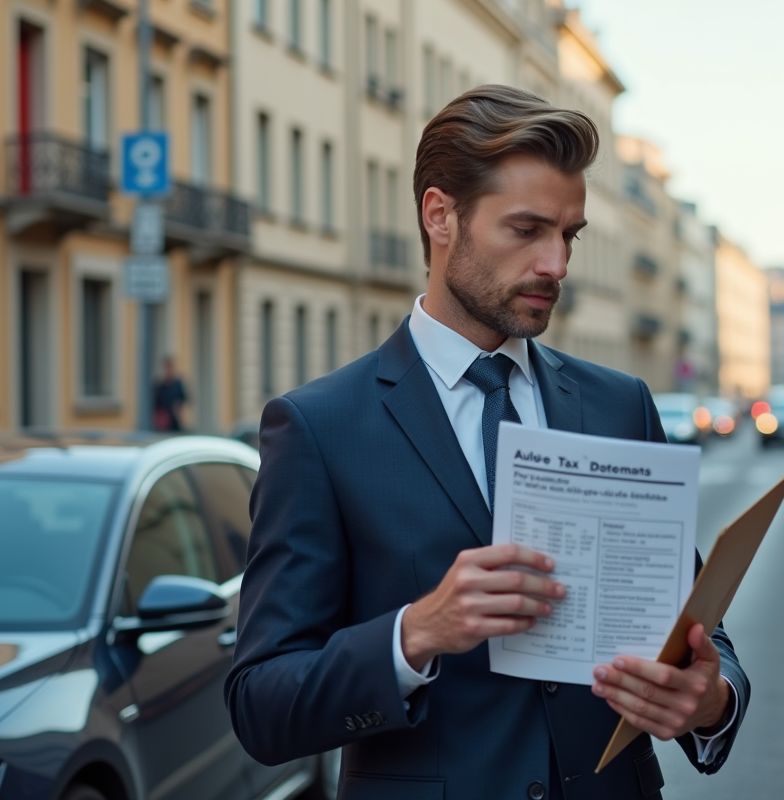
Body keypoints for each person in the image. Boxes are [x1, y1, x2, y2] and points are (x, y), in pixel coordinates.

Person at [225, 86, 748, 799]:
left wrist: (710, 702)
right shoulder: (319, 428)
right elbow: (261, 704)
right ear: (440, 217)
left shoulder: (619, 404)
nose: (556, 264)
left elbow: (701, 635)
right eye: (527, 230)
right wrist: (413, 635)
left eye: (570, 234)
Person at [151, 356, 186, 432]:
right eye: (166, 368)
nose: (168, 370)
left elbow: (183, 398)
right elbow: (155, 403)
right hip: (162, 422)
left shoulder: (177, 384)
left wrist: (178, 406)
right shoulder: (159, 385)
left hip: (174, 420)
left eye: (170, 368)